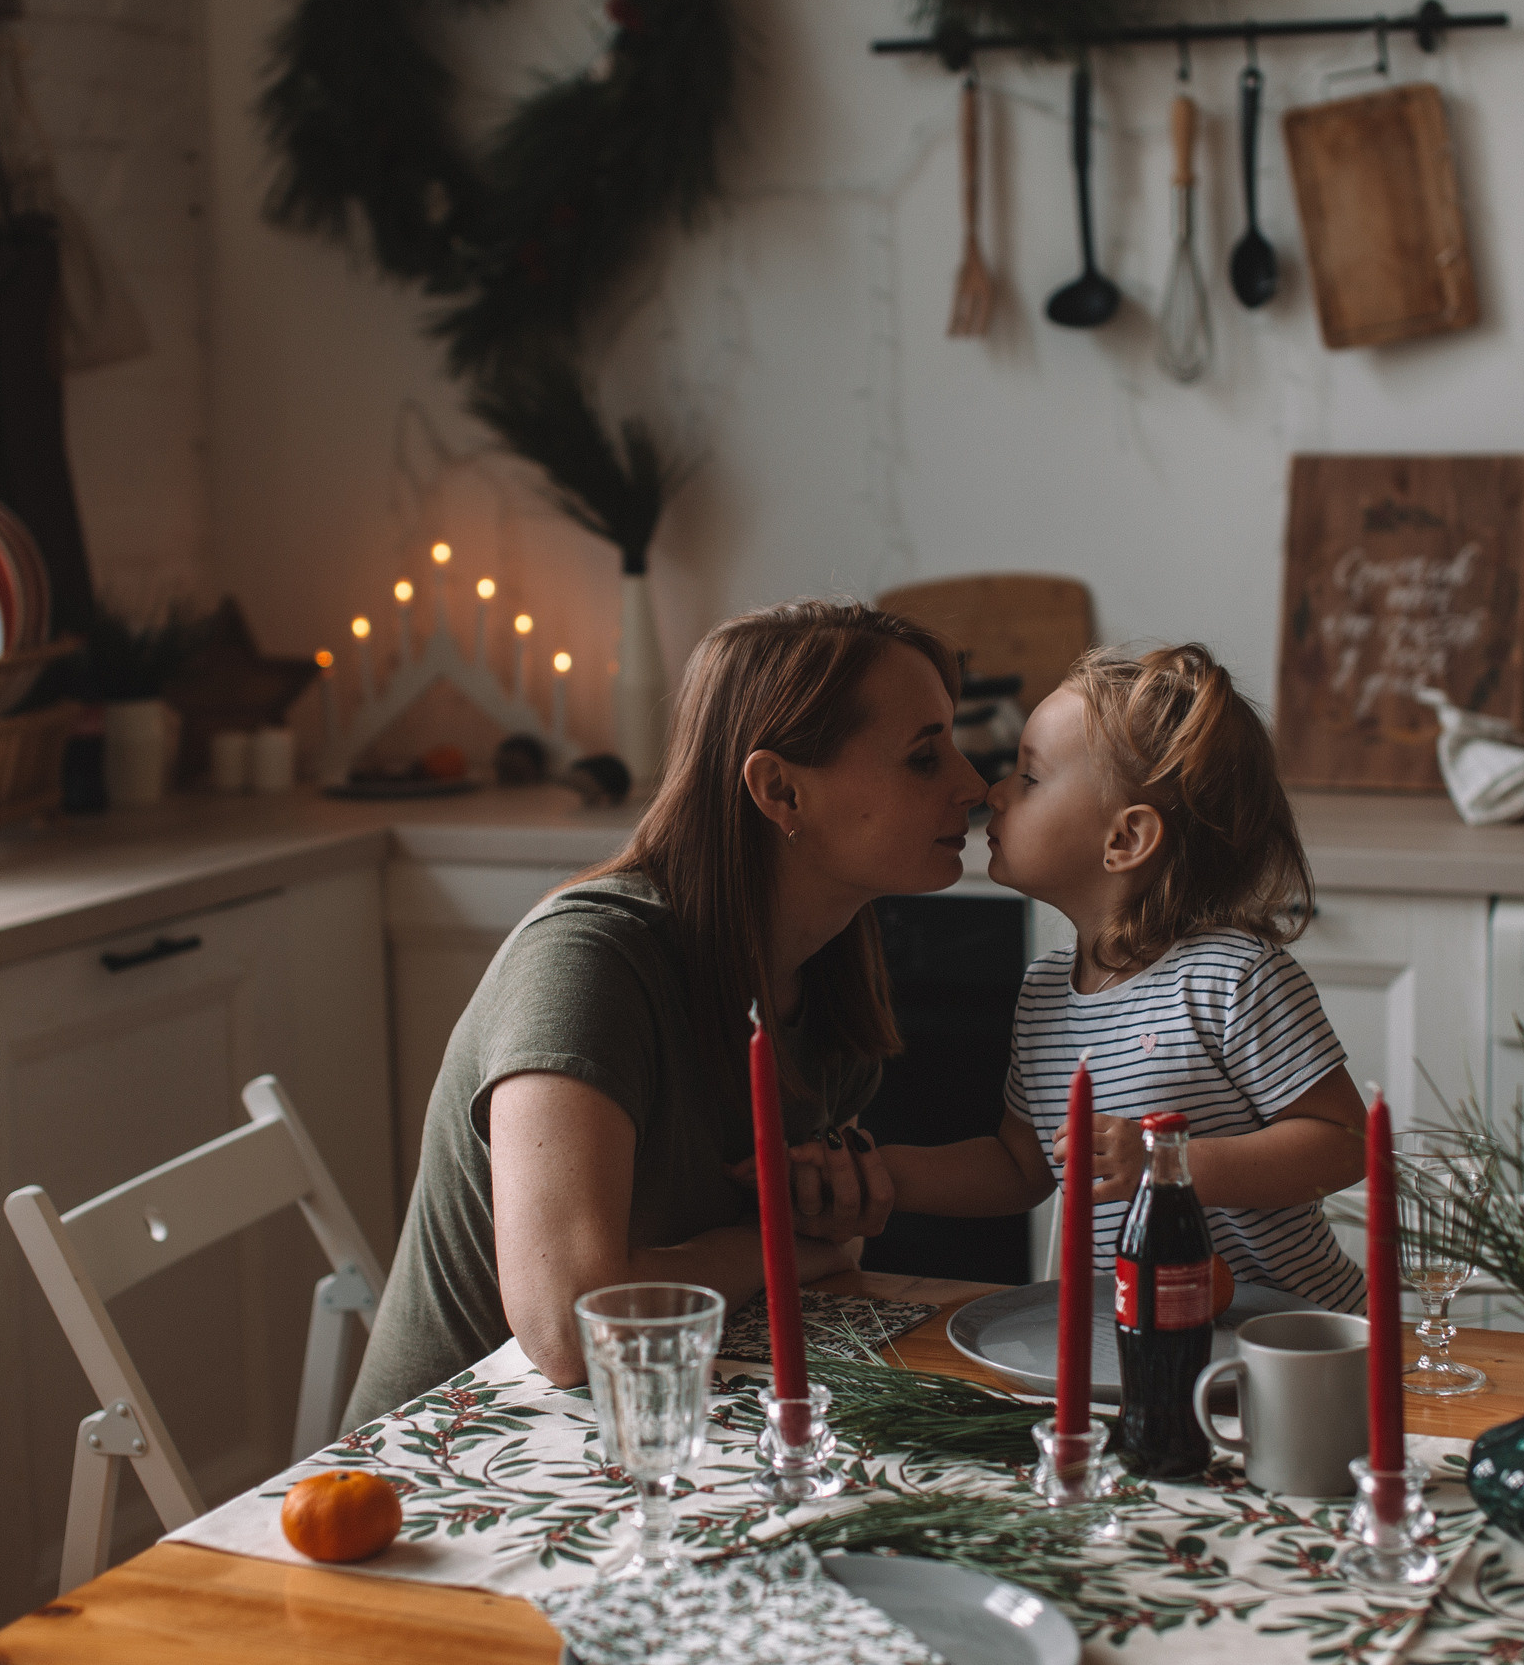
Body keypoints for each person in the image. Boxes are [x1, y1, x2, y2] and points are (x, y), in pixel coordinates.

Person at [345, 599, 988, 1420]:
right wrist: (783, 1247)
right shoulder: (586, 962)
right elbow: (571, 1327)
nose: (974, 783)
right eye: (924, 757)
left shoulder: (828, 969)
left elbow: (833, 1247)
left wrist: (815, 1231)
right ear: (781, 791)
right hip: (447, 1460)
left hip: (670, 1418)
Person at [869, 642, 1369, 1310]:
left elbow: (1345, 1145)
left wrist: (1166, 1160)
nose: (995, 791)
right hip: (1144, 1336)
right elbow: (1020, 1167)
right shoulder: (1044, 993)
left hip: (1293, 1338)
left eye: (1030, 777)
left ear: (1125, 840)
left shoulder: (1231, 978)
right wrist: (880, 1173)